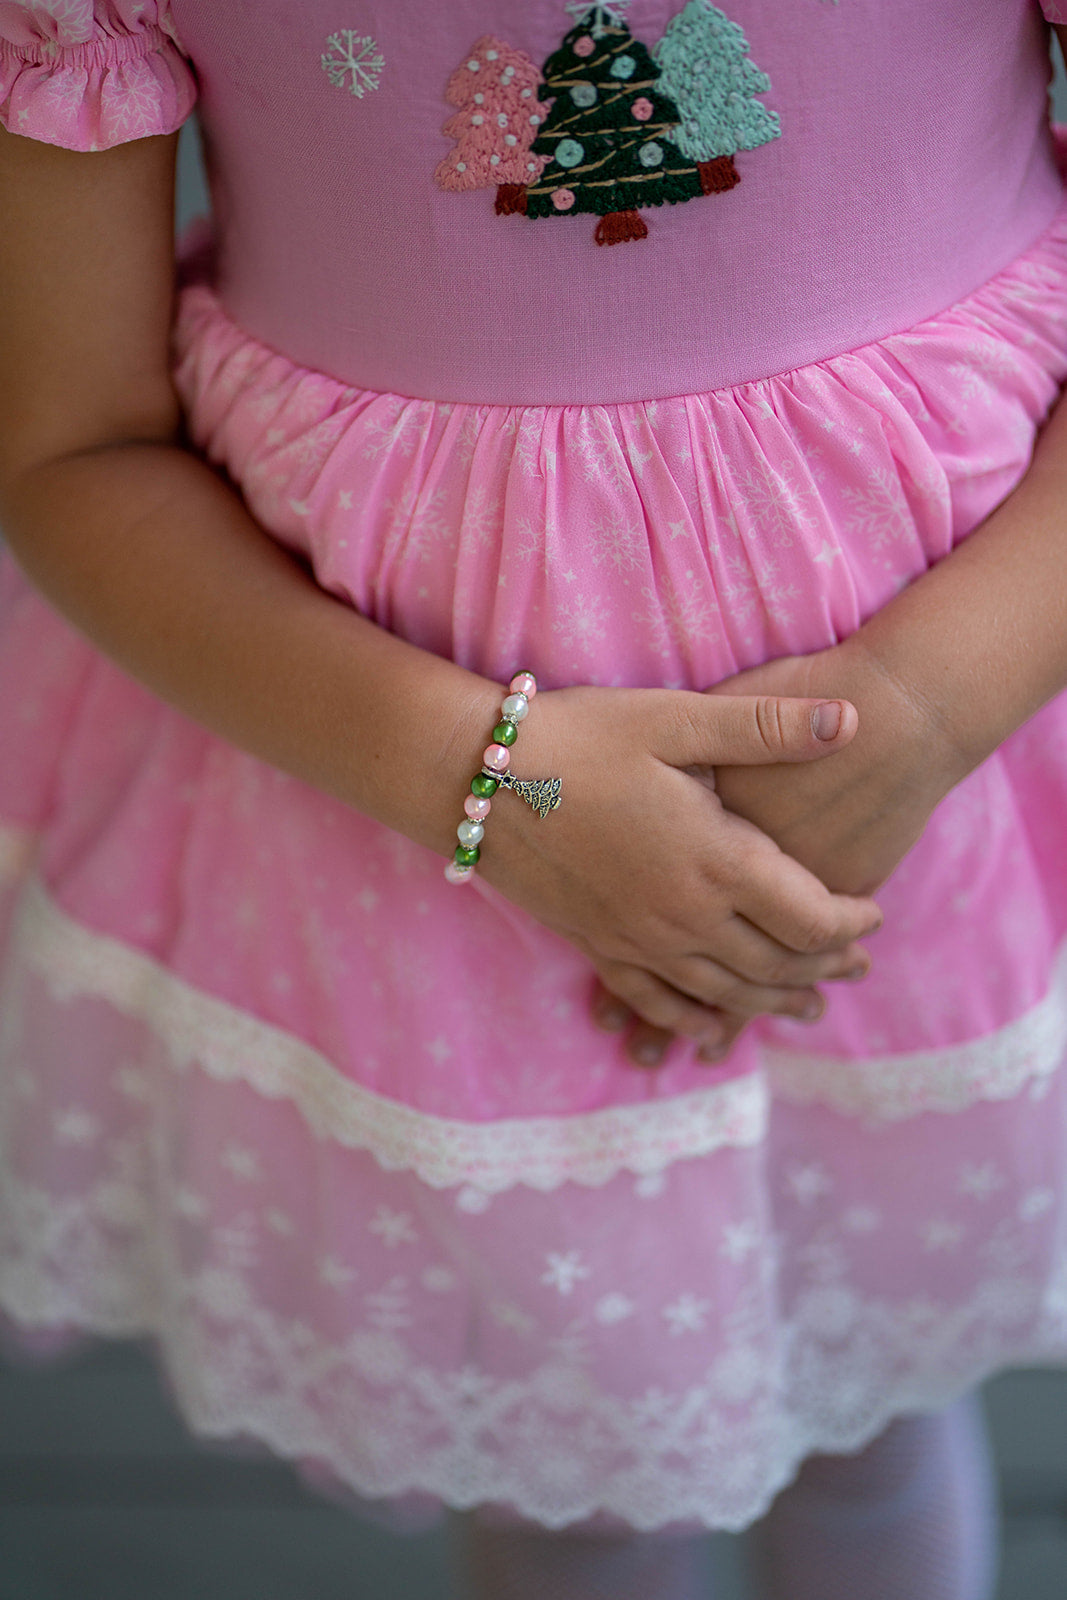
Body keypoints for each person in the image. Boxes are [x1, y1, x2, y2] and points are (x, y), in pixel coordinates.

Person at [2, 1, 1067, 1595]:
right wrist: (480, 780)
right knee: (582, 1482)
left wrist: (927, 708)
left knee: (880, 1416)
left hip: (969, 746)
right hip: (399, 805)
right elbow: (71, 449)